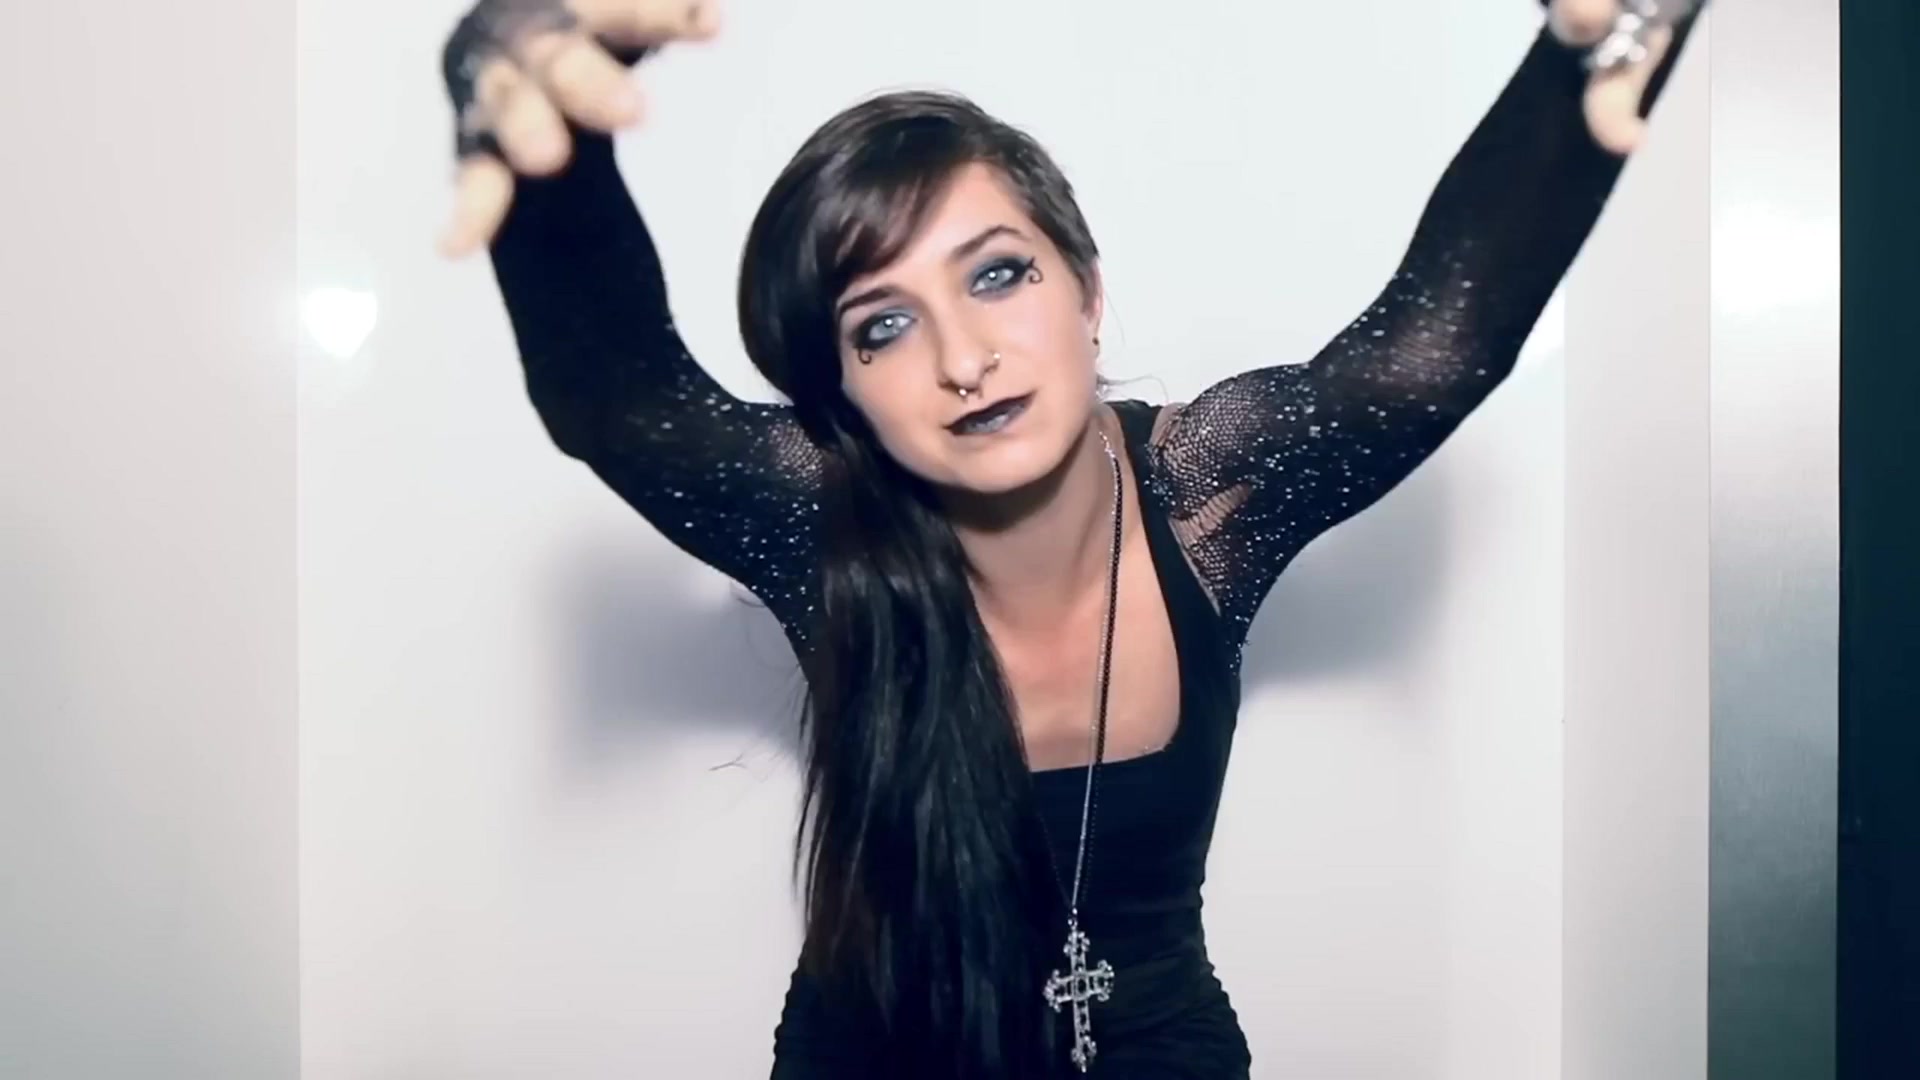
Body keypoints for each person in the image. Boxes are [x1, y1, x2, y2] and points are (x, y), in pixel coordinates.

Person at [433, 1, 1700, 1075]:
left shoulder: (1205, 497)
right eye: (882, 326)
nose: (963, 355)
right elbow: (620, 405)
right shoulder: (823, 524)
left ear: (1088, 292)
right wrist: (524, 102)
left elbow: (1427, 357)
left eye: (998, 274)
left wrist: (1593, 46)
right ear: (843, 393)